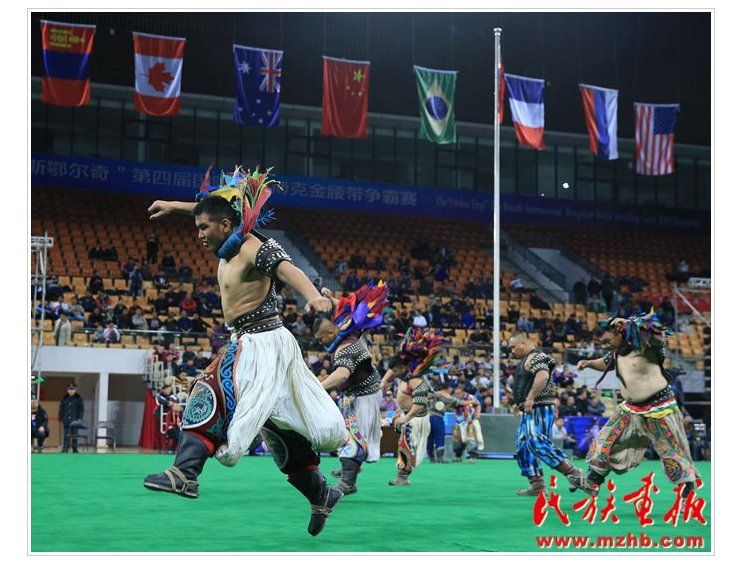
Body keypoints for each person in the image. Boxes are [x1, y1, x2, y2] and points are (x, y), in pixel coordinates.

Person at [143, 167, 346, 536]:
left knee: (210, 389)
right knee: (280, 430)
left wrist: (314, 296)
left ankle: (185, 473)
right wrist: (173, 206)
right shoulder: (228, 240)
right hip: (253, 341)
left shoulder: (253, 247)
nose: (199, 234)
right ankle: (322, 494)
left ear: (226, 225)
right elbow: (206, 211)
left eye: (204, 228)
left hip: (262, 341)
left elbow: (288, 269)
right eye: (197, 227)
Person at [576, 311, 699, 499]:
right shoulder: (617, 352)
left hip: (659, 408)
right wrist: (588, 363)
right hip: (630, 409)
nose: (606, 345)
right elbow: (604, 363)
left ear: (619, 332)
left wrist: (628, 323)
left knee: (671, 453)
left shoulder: (647, 345)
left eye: (608, 341)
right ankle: (592, 483)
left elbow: (659, 331)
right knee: (604, 441)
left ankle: (686, 495)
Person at [312, 282, 389, 495]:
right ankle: (349, 468)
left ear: (331, 331)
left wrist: (318, 387)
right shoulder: (350, 330)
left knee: (354, 438)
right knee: (348, 434)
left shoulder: (346, 348)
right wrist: (332, 298)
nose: (321, 342)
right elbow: (352, 313)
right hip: (355, 394)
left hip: (363, 396)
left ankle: (348, 482)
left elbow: (342, 374)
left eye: (322, 338)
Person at [507, 333, 593, 496]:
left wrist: (530, 398)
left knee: (536, 441)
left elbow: (543, 376)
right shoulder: (527, 359)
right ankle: (537, 485)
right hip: (530, 408)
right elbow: (525, 383)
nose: (512, 351)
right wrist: (519, 404)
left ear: (523, 343)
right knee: (523, 447)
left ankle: (573, 472)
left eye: (513, 347)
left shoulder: (537, 356)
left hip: (539, 407)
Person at [381, 328, 444, 486]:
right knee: (404, 445)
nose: (394, 373)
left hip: (415, 418)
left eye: (396, 371)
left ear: (403, 367)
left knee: (407, 446)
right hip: (407, 415)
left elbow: (420, 404)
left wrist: (405, 418)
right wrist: (383, 381)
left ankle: (402, 476)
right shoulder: (404, 375)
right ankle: (402, 475)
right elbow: (391, 370)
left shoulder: (415, 380)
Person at [426, 381, 463, 463]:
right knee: (439, 437)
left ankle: (431, 457)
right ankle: (440, 457)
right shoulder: (448, 397)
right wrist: (472, 402)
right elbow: (458, 403)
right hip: (438, 417)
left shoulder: (434, 394)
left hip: (428, 417)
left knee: (429, 437)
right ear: (448, 388)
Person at [452, 383, 483, 463]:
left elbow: (478, 404)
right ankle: (458, 456)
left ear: (463, 392)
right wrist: (471, 402)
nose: (457, 395)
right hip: (459, 423)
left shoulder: (471, 397)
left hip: (470, 421)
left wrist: (478, 413)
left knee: (470, 439)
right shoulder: (453, 399)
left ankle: (472, 457)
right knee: (457, 440)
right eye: (456, 394)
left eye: (458, 394)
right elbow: (459, 403)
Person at [59, 383, 84, 453]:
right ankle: (65, 448)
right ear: (67, 390)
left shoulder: (79, 398)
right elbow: (61, 408)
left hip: (75, 419)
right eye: (69, 389)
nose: (71, 391)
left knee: (74, 435)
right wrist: (60, 418)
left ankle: (74, 448)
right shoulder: (64, 398)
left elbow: (81, 409)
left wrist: (80, 418)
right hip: (66, 419)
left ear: (75, 390)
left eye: (72, 389)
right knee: (66, 435)